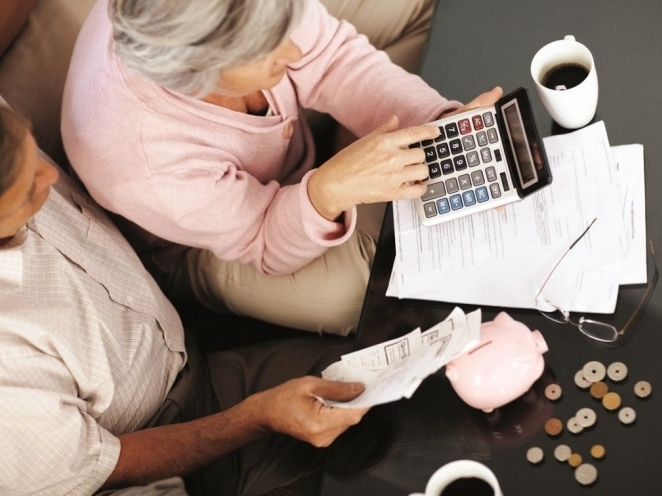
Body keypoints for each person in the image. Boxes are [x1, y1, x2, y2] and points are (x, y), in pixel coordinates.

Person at [62, 0, 502, 336]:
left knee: (415, 9)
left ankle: (362, 145)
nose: (293, 48)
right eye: (269, 48)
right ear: (198, 72)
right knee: (364, 296)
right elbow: (263, 238)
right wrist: (329, 190)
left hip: (278, 145)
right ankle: (355, 156)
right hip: (218, 235)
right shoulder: (144, 162)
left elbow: (332, 57)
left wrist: (437, 123)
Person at [0, 105, 368, 495]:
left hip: (195, 364)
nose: (52, 174)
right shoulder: (8, 370)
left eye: (34, 150)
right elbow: (102, 467)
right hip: (156, 461)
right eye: (28, 191)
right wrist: (258, 417)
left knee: (386, 388)